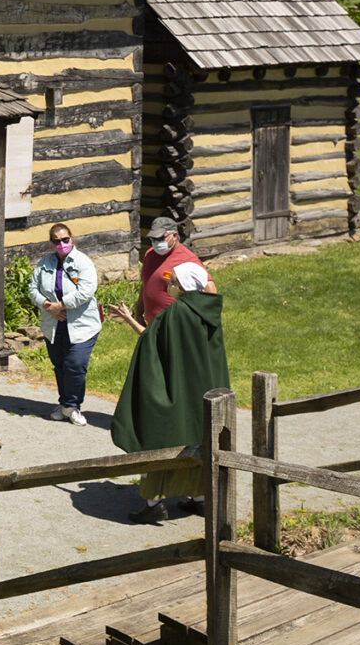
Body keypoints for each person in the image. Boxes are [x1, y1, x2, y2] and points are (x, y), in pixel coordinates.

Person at [108, 261, 230, 523]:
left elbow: (151, 343)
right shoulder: (210, 311)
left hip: (178, 390)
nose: (170, 286)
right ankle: (200, 498)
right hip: (204, 392)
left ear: (185, 285)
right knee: (199, 440)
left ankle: (154, 503)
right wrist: (130, 318)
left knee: (161, 439)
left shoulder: (177, 312)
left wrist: (130, 321)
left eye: (173, 281)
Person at [27, 222, 101, 426]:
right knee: (59, 366)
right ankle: (65, 404)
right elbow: (33, 288)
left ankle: (72, 406)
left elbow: (87, 290)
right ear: (51, 243)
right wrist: (47, 305)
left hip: (82, 324)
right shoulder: (45, 263)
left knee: (74, 365)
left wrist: (61, 305)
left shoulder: (83, 262)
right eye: (57, 241)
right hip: (54, 325)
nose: (61, 244)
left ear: (72, 238)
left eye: (65, 239)